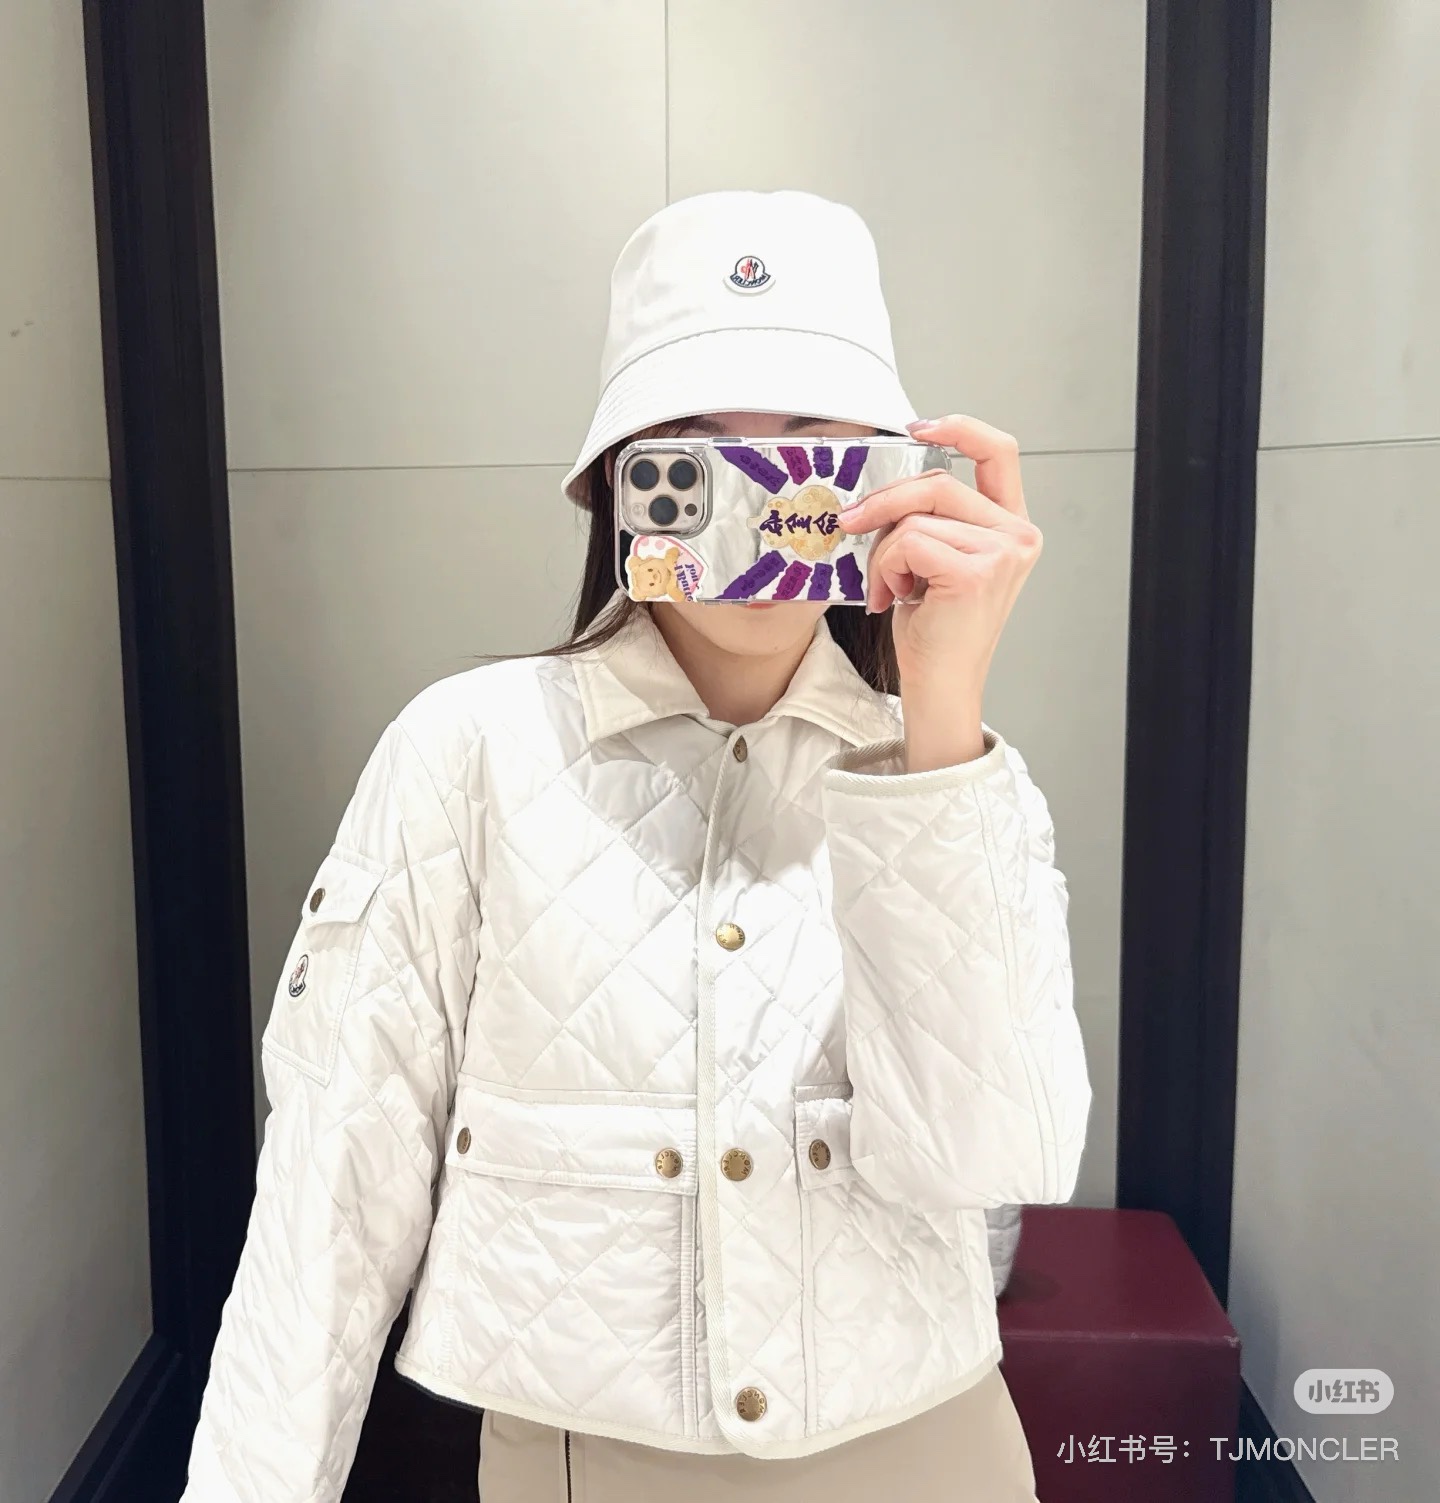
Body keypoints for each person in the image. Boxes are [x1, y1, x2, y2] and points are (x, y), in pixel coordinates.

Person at [180, 189, 1091, 1502]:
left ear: (893, 481)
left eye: (813, 447)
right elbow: (332, 1185)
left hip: (932, 1449)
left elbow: (993, 1164)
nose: (759, 494)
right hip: (584, 1463)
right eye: (698, 448)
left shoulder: (953, 778)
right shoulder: (470, 752)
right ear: (619, 481)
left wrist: (938, 708)